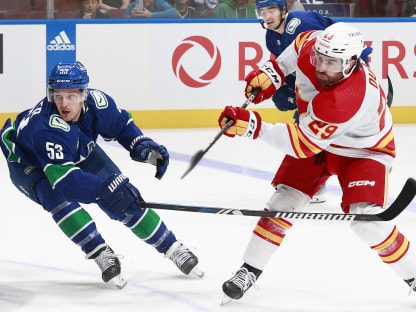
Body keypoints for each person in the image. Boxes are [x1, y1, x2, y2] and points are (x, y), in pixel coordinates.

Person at [217, 22, 416, 303]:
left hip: (364, 151)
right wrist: (270, 76)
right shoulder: (313, 45)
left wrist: (252, 126)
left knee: (367, 222)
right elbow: (294, 53)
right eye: (320, 58)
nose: (321, 66)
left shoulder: (348, 97)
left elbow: (301, 145)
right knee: (282, 204)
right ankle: (249, 269)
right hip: (319, 140)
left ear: (351, 62)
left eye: (331, 62)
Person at [0, 61, 203, 288]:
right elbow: (65, 183)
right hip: (29, 164)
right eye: (58, 96)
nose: (63, 103)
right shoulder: (46, 127)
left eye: (71, 96)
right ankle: (99, 252)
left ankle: (172, 247)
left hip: (76, 149)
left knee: (126, 199)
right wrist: (101, 190)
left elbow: (122, 126)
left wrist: (142, 146)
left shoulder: (98, 103)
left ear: (84, 94)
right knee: (59, 201)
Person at [253, 0, 372, 203]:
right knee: (292, 109)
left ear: (283, 9)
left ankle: (367, 167)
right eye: (262, 12)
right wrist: (274, 84)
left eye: (271, 10)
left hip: (346, 75)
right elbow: (291, 65)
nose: (267, 17)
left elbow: (326, 60)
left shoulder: (301, 24)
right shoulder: (271, 36)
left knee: (318, 126)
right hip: (323, 77)